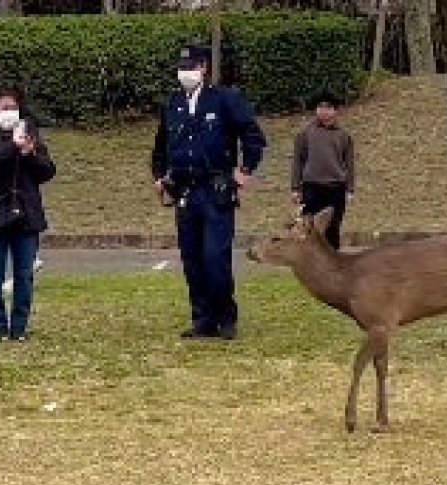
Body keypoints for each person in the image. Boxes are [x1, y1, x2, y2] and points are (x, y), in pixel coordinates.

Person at [151, 44, 267, 340]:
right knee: (191, 259)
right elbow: (161, 145)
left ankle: (225, 317)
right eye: (181, 67)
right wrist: (159, 175)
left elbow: (252, 135)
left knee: (215, 256)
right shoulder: (173, 103)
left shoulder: (225, 99)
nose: (185, 72)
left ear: (203, 67)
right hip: (184, 191)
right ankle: (202, 318)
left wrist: (246, 170)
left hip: (215, 190)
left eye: (190, 66)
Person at [0, 87, 56, 342]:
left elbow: (47, 172)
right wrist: (12, 148)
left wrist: (29, 153)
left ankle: (19, 328)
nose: (9, 112)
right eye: (3, 108)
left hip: (26, 216)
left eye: (13, 107)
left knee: (24, 276)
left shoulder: (33, 141)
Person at [290, 92, 355, 250]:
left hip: (336, 188)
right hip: (312, 187)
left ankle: (333, 268)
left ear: (335, 111)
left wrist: (350, 188)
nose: (324, 111)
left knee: (333, 228)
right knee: (310, 229)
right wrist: (295, 188)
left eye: (328, 107)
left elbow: (349, 163)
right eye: (320, 107)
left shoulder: (343, 135)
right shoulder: (305, 134)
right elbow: (298, 161)